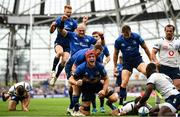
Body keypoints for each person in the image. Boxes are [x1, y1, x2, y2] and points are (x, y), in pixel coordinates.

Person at [69, 50, 118, 116]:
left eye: (93, 56)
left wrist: (103, 90)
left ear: (95, 58)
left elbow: (106, 79)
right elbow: (70, 79)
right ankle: (78, 107)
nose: (92, 58)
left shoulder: (100, 66)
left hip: (98, 85)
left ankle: (109, 103)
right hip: (87, 89)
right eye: (89, 57)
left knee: (114, 97)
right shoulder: (81, 68)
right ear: (86, 59)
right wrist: (76, 82)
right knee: (86, 113)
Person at [49, 5, 88, 86]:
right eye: (67, 12)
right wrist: (52, 26)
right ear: (64, 11)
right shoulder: (59, 19)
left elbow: (79, 30)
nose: (68, 14)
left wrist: (84, 22)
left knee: (64, 61)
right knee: (59, 53)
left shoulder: (73, 22)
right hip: (59, 42)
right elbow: (51, 31)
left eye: (70, 12)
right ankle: (53, 70)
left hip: (68, 45)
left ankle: (56, 77)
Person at [113, 25, 152, 106]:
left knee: (147, 72)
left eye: (128, 34)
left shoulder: (136, 36)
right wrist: (114, 66)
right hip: (126, 62)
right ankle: (120, 104)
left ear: (131, 31)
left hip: (137, 60)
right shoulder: (118, 40)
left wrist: (151, 60)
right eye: (125, 35)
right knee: (124, 82)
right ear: (122, 33)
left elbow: (145, 48)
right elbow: (115, 54)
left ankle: (157, 91)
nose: (127, 36)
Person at [152, 24, 180, 91]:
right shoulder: (160, 41)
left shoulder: (178, 42)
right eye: (167, 31)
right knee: (163, 87)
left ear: (173, 32)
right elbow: (153, 53)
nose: (169, 32)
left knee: (178, 86)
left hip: (175, 67)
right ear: (165, 31)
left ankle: (175, 100)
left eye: (170, 31)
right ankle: (158, 101)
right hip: (164, 67)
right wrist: (156, 61)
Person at [91, 31, 111, 113]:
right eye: (93, 37)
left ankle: (102, 106)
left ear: (99, 37)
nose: (95, 38)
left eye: (96, 36)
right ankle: (94, 107)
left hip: (100, 69)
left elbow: (108, 56)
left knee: (102, 87)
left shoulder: (104, 47)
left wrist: (105, 62)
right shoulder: (90, 46)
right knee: (91, 88)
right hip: (91, 69)